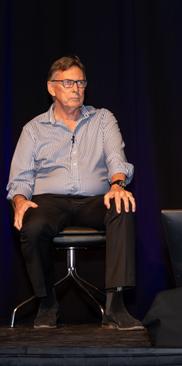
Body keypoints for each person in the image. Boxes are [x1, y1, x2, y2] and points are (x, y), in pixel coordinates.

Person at [6, 55, 143, 330]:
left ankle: (115, 306)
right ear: (51, 88)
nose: (75, 88)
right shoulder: (33, 129)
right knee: (32, 227)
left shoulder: (103, 119)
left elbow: (117, 158)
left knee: (122, 206)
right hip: (49, 201)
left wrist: (117, 184)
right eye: (68, 82)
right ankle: (46, 304)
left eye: (80, 82)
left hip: (94, 199)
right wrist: (19, 201)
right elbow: (20, 179)